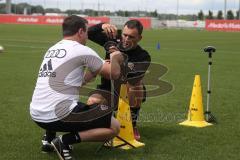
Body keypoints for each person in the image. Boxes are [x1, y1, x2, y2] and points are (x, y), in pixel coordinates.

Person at [30, 15, 124, 160]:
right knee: (114, 127)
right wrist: (116, 55)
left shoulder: (52, 49)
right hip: (59, 115)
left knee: (56, 97)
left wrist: (92, 72)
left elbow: (77, 81)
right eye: (86, 32)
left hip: (37, 114)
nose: (87, 36)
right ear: (80, 31)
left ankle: (48, 139)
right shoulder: (81, 49)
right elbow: (114, 73)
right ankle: (64, 141)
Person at [87, 20, 151, 140]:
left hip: (126, 94)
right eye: (124, 35)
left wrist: (116, 62)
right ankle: (109, 122)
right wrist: (102, 25)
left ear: (139, 38)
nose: (126, 39)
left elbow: (132, 81)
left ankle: (132, 125)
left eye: (131, 37)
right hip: (107, 89)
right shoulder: (112, 40)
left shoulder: (143, 56)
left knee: (136, 86)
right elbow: (88, 33)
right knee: (92, 102)